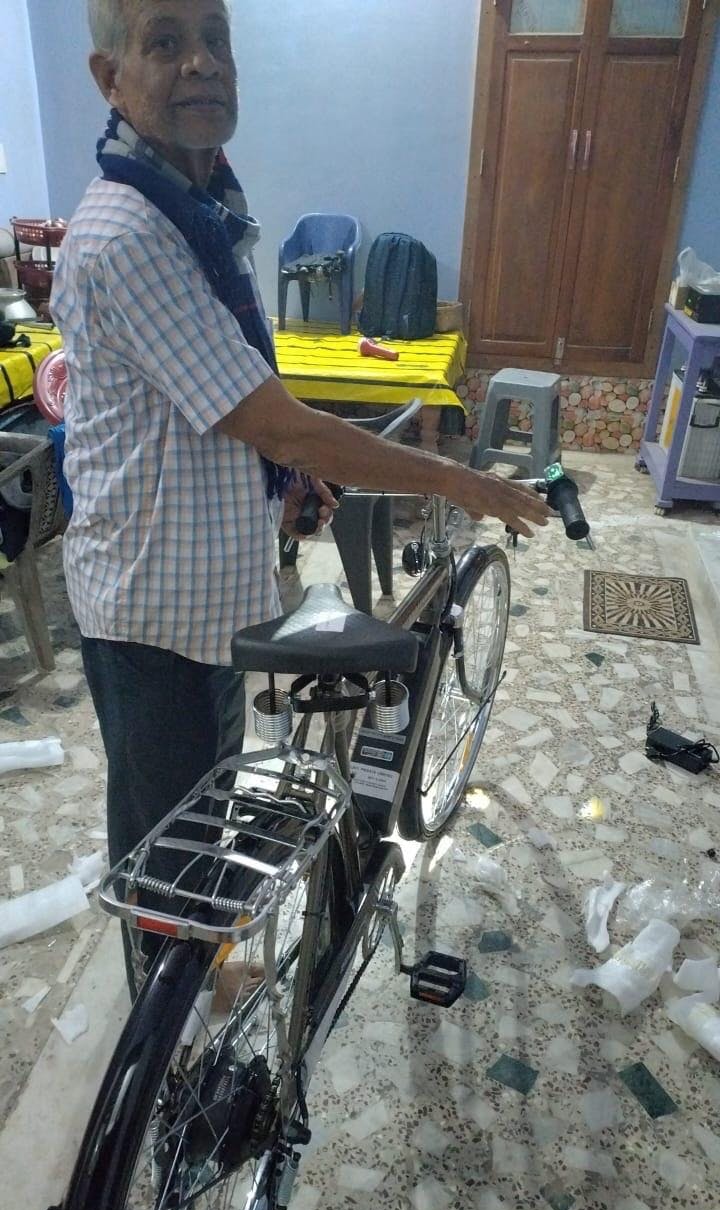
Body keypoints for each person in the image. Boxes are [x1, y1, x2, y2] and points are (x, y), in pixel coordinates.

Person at [52, 0, 547, 991]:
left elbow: (217, 402)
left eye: (215, 39)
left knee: (201, 810)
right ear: (111, 79)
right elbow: (275, 418)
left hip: (204, 592)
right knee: (161, 844)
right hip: (149, 608)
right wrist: (458, 479)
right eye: (164, 42)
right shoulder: (129, 233)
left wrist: (279, 474)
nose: (201, 63)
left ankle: (201, 969)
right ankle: (169, 1023)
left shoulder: (200, 204)